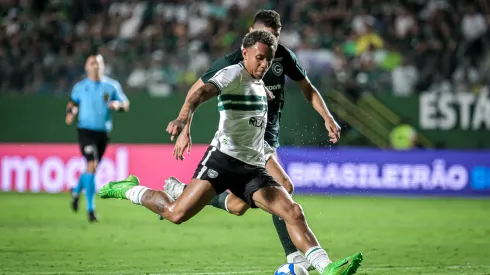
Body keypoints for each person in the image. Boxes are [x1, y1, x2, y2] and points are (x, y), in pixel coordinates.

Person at [99, 30, 362, 275]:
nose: (264, 65)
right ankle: (128, 189)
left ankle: (327, 268)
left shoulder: (259, 84)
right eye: (259, 58)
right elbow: (199, 93)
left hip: (253, 168)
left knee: (292, 212)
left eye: (269, 61)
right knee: (176, 214)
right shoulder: (232, 74)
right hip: (223, 161)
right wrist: (182, 121)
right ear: (244, 52)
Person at [162, 10, 341, 269]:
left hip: (268, 138)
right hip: (247, 139)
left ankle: (184, 191)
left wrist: (327, 116)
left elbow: (307, 88)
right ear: (250, 36)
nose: (271, 45)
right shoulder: (234, 62)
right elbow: (197, 91)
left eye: (276, 37)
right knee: (285, 187)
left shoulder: (283, 56)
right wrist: (185, 127)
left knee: (238, 206)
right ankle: (294, 255)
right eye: (267, 37)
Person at [65, 54, 130, 222]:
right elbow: (72, 104)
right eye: (92, 63)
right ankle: (90, 209)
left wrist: (119, 105)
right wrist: (70, 113)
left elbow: (126, 104)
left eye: (99, 63)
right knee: (92, 166)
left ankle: (75, 191)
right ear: (86, 67)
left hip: (102, 133)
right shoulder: (80, 87)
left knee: (90, 169)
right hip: (85, 131)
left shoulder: (111, 86)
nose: (96, 66)